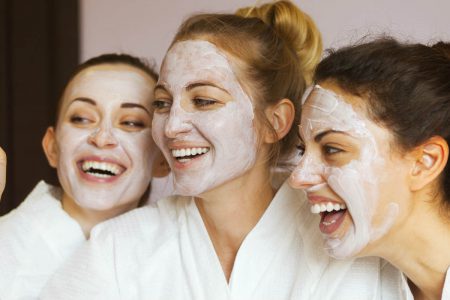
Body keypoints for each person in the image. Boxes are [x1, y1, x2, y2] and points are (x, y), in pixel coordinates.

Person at [42, 2, 403, 299]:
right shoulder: (119, 249)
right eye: (163, 103)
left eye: (203, 100)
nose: (171, 127)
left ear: (275, 122)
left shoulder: (341, 242)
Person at [289, 38, 450, 300]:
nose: (298, 177)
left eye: (332, 149)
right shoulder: (346, 284)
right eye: (301, 151)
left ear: (425, 162)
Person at [0, 53, 165, 298]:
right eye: (82, 118)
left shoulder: (177, 259)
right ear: (52, 146)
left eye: (131, 122)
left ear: (164, 159)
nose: (102, 137)